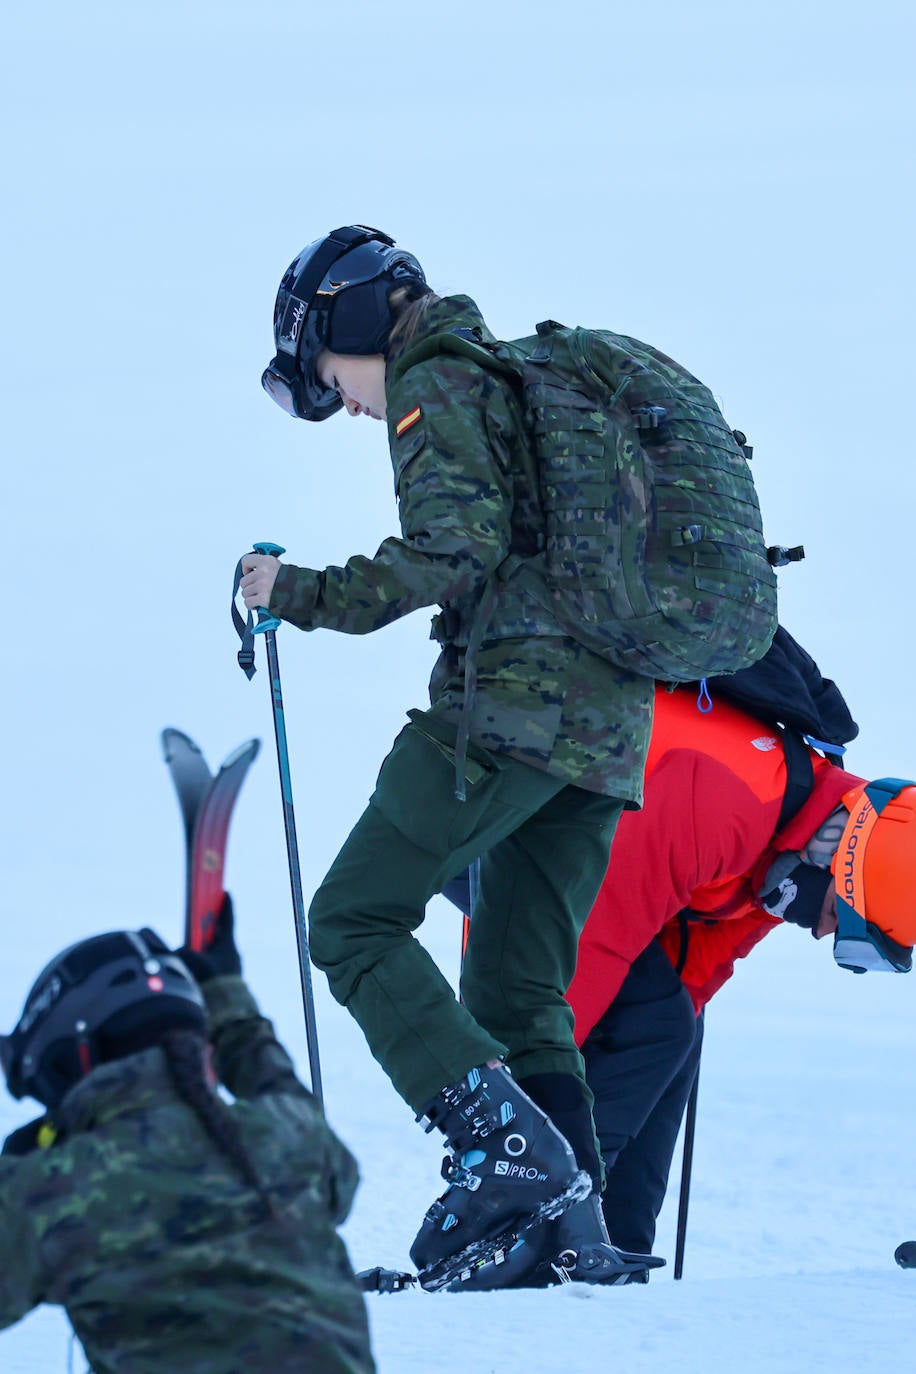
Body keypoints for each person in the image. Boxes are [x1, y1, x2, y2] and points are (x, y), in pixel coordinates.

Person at [241, 223, 683, 1288]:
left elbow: (456, 547)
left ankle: (506, 1159)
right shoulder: (509, 379)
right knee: (518, 988)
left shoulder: (432, 378)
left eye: (328, 370)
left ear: (352, 319)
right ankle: (560, 1239)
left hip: (508, 714)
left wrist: (296, 594)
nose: (340, 396)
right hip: (608, 726)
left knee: (351, 919)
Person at [445, 664, 916, 1287]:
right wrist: (510, 1099)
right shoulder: (725, 802)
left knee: (672, 1032)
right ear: (838, 856)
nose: (825, 932)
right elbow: (570, 962)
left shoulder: (789, 847)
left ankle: (611, 1249)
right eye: (838, 916)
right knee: (647, 1028)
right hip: (491, 817)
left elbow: (695, 965)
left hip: (588, 867)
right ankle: (534, 1225)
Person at [0, 897, 376, 1373]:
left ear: (76, 1058)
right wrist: (227, 996)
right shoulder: (289, 1140)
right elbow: (281, 1091)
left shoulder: (55, 1190)